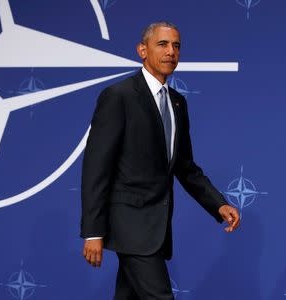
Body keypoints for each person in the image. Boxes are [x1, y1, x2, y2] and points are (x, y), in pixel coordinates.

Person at [80, 21, 240, 299]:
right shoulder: (119, 96)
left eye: (176, 46)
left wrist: (219, 203)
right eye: (162, 44)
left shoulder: (178, 102)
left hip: (156, 227)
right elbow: (96, 167)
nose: (171, 52)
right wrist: (93, 231)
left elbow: (184, 167)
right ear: (142, 50)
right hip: (130, 225)